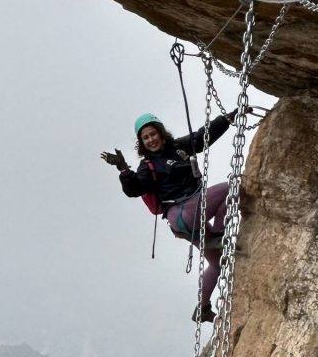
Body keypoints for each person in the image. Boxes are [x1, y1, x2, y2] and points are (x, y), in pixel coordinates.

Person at [101, 111, 242, 323]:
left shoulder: (179, 147)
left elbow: (203, 136)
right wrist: (123, 169)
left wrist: (227, 119)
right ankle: (219, 234)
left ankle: (202, 308)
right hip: (184, 213)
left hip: (184, 223)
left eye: (152, 134)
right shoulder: (147, 166)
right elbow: (135, 189)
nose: (151, 140)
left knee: (217, 264)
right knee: (232, 186)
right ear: (142, 143)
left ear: (161, 132)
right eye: (145, 138)